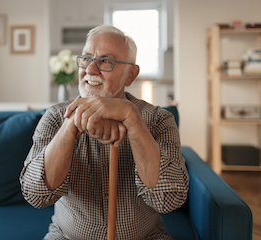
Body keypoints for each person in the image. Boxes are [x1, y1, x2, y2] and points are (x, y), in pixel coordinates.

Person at [20, 25, 189, 240]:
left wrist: (133, 119)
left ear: (131, 75)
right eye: (86, 58)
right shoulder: (55, 117)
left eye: (106, 61)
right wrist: (72, 124)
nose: (90, 70)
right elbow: (36, 195)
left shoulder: (159, 120)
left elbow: (169, 199)